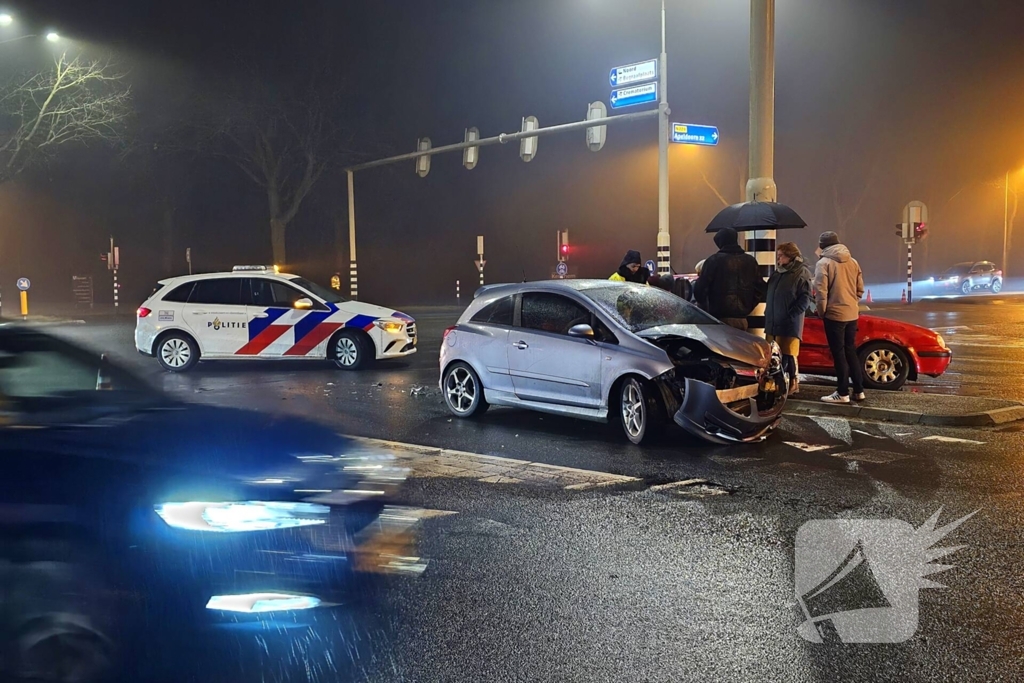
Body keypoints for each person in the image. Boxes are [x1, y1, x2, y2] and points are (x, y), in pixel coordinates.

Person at [813, 230, 866, 404]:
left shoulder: (823, 263)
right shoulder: (853, 261)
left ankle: (842, 392)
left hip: (834, 315)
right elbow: (860, 289)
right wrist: (851, 303)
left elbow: (821, 293)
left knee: (838, 354)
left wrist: (822, 312)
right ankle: (859, 390)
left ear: (823, 245)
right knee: (851, 350)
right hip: (852, 314)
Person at [692, 228, 766, 330]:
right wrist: (748, 306)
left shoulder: (713, 261)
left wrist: (707, 309)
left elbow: (700, 291)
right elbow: (760, 289)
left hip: (718, 318)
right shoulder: (750, 261)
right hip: (742, 319)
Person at [765, 242, 813, 395]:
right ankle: (776, 384)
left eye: (781, 256)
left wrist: (791, 314)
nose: (778, 259)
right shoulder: (777, 273)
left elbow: (805, 298)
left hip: (789, 322)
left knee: (789, 353)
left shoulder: (801, 273)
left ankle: (793, 382)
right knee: (773, 355)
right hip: (773, 320)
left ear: (791, 256)